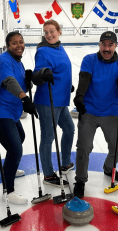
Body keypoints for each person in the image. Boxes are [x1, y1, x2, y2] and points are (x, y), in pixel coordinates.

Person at [73, 31, 118, 198]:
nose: (107, 48)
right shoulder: (89, 60)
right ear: (99, 45)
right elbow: (84, 80)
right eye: (103, 44)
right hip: (89, 111)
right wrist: (79, 97)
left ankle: (108, 168)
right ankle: (80, 180)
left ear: (115, 46)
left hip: (111, 112)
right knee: (84, 147)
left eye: (110, 45)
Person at [0, 31, 37, 205]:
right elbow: (8, 81)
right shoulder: (4, 60)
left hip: (10, 112)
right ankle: (9, 191)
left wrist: (27, 82)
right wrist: (25, 98)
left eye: (21, 42)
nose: (19, 45)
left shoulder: (17, 61)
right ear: (8, 46)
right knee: (15, 149)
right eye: (14, 43)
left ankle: (9, 169)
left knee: (20, 138)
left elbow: (19, 81)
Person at [32, 19, 75, 188]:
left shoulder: (59, 47)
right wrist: (43, 73)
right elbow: (37, 75)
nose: (49, 34)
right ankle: (49, 175)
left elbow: (61, 70)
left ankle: (65, 163)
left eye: (52, 31)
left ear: (59, 31)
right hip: (47, 101)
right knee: (48, 138)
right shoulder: (43, 51)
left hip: (61, 99)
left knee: (70, 129)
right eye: (46, 32)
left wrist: (66, 84)